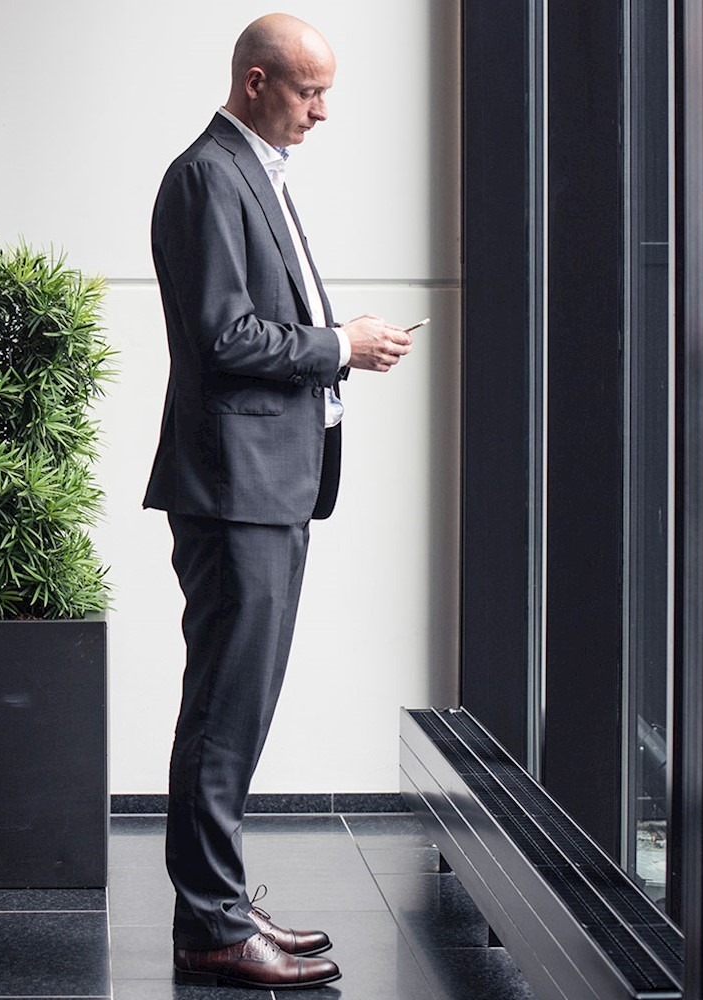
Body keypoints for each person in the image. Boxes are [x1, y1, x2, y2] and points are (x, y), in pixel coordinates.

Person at [143, 12, 414, 990]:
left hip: (267, 484)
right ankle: (211, 922)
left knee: (235, 705)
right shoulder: (207, 175)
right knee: (222, 708)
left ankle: (216, 900)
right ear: (255, 82)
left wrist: (338, 344)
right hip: (232, 489)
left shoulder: (251, 174)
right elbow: (223, 336)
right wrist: (342, 345)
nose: (323, 111)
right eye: (308, 91)